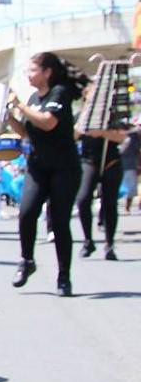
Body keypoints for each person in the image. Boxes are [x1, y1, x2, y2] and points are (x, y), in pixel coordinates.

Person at [7, 52, 88, 297]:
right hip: (38, 167)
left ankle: (64, 276)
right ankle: (27, 260)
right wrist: (11, 115)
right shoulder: (33, 97)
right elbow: (27, 132)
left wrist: (20, 105)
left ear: (47, 72)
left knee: (59, 220)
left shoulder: (59, 93)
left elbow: (48, 122)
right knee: (26, 213)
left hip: (64, 167)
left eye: (32, 70)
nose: (28, 75)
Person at [74, 84, 126, 261]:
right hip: (89, 161)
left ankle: (109, 244)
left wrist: (103, 132)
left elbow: (122, 136)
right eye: (91, 96)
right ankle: (88, 241)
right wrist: (84, 117)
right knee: (83, 199)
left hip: (111, 161)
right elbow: (73, 136)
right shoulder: (81, 116)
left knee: (110, 202)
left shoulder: (112, 116)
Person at [121, 123, 140, 213]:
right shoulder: (133, 136)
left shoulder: (135, 136)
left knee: (130, 188)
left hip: (130, 165)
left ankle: (127, 207)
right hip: (123, 164)